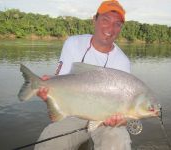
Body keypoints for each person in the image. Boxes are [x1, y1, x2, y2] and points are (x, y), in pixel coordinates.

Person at [35, 0, 132, 150]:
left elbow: (126, 111)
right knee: (48, 142)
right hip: (73, 114)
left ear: (121, 28)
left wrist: (120, 120)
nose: (110, 28)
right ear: (94, 20)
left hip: (104, 119)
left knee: (118, 142)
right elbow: (59, 84)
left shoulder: (122, 61)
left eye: (117, 24)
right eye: (105, 20)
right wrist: (48, 93)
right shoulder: (73, 43)